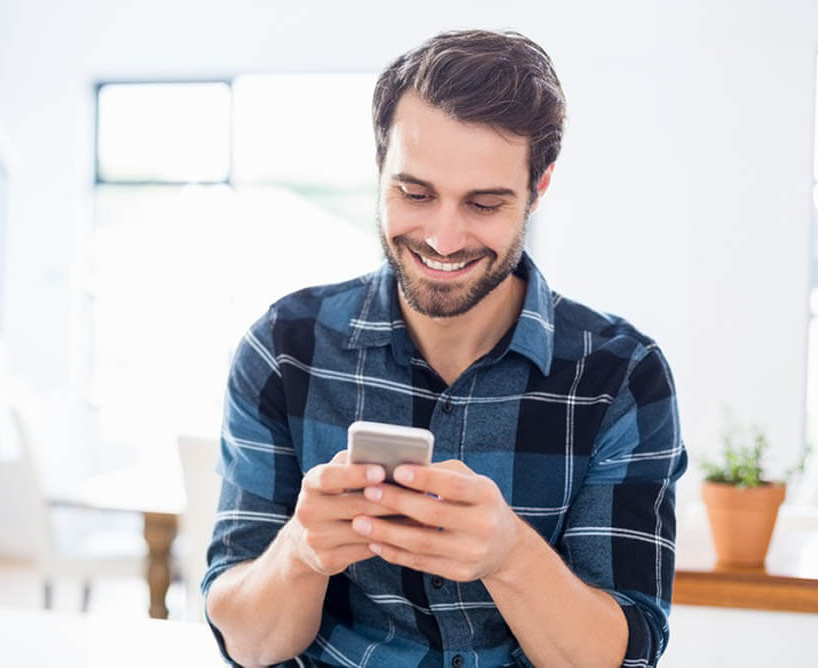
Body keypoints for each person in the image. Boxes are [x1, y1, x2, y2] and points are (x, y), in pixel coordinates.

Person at [203, 28, 687, 668]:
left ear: (539, 188)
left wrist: (511, 556)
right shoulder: (285, 349)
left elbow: (620, 657)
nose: (444, 237)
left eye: (484, 203)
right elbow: (247, 641)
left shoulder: (622, 376)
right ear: (379, 169)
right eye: (415, 193)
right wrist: (301, 551)